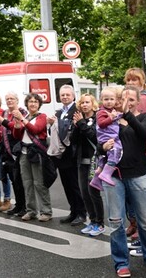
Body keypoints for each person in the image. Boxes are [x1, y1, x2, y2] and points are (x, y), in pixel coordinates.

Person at [103, 85, 146, 277]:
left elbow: (144, 134)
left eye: (131, 99)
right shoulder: (109, 119)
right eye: (123, 99)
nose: (126, 102)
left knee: (145, 219)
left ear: (138, 101)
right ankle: (121, 262)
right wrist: (101, 145)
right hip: (113, 176)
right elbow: (98, 139)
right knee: (116, 221)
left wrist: (127, 114)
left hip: (137, 174)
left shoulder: (143, 117)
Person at [123, 67, 146, 250]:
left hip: (143, 153)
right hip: (142, 152)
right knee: (139, 196)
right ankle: (141, 232)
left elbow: (139, 129)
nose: (131, 83)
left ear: (142, 82)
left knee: (141, 198)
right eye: (128, 79)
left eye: (135, 80)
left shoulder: (142, 99)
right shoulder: (141, 97)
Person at [49, 84, 87, 225]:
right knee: (67, 185)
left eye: (67, 94)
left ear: (73, 96)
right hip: (61, 155)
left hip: (72, 154)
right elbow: (54, 133)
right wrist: (51, 124)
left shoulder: (77, 111)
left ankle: (82, 213)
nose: (65, 97)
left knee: (75, 185)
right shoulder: (58, 112)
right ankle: (73, 211)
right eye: (62, 94)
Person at [70, 93, 105, 236]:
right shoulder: (79, 120)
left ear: (93, 104)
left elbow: (96, 138)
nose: (84, 105)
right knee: (84, 192)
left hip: (93, 160)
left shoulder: (97, 118)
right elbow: (73, 140)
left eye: (87, 102)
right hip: (81, 161)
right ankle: (93, 221)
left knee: (93, 192)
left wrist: (82, 124)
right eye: (82, 103)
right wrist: (77, 127)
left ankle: (100, 223)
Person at [16, 93, 52, 222]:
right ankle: (31, 211)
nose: (33, 104)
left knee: (39, 183)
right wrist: (17, 124)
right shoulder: (25, 117)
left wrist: (22, 120)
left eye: (36, 102)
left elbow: (36, 129)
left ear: (39, 104)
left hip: (36, 153)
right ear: (27, 103)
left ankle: (46, 211)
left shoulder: (42, 117)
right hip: (24, 153)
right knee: (27, 183)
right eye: (30, 101)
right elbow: (17, 134)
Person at [0, 91, 27, 215]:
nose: (9, 101)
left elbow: (15, 127)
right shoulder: (5, 113)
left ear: (17, 100)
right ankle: (18, 205)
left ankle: (24, 206)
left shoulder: (22, 112)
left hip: (18, 149)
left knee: (20, 180)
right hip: (6, 150)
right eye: (7, 99)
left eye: (12, 98)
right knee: (13, 179)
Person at [90, 87, 123, 188]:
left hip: (110, 137)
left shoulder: (111, 111)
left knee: (105, 158)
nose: (109, 102)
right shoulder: (102, 112)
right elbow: (101, 123)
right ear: (101, 100)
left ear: (116, 100)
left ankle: (96, 178)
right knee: (116, 151)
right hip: (107, 137)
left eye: (111, 99)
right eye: (106, 99)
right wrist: (112, 117)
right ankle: (106, 173)